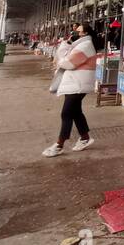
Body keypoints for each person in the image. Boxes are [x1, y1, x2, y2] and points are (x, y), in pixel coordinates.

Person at [44, 21, 98, 157]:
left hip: (78, 84)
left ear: (84, 33)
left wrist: (63, 49)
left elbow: (67, 63)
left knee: (66, 113)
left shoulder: (85, 46)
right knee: (75, 112)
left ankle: (59, 144)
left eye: (77, 30)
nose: (74, 32)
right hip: (76, 83)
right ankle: (85, 138)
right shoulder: (81, 45)